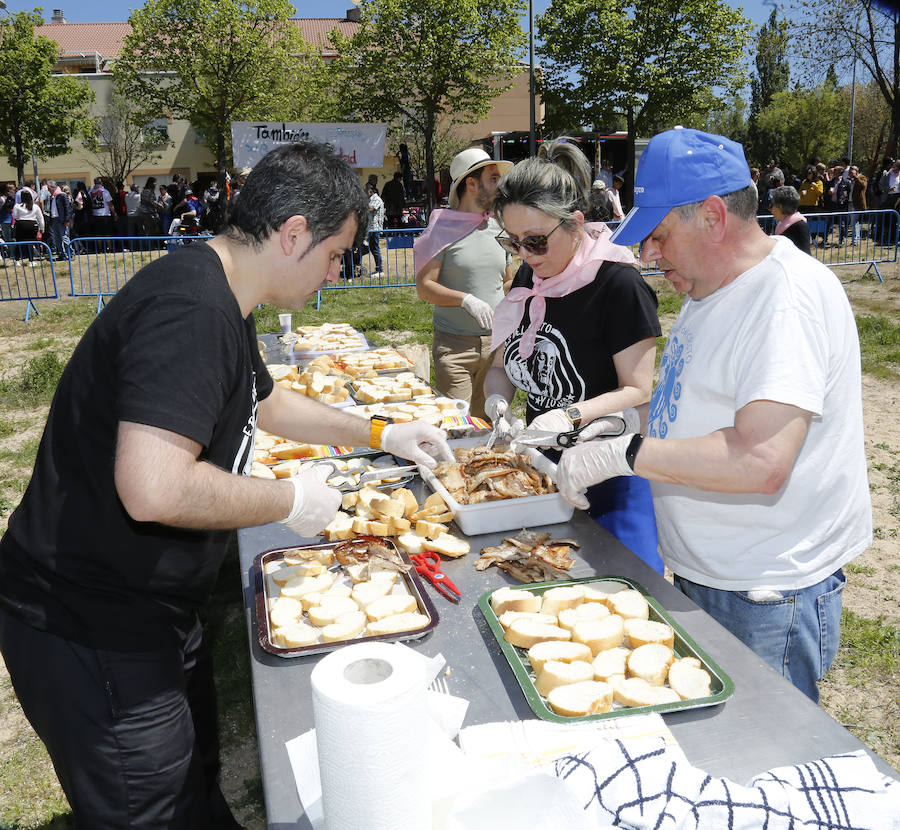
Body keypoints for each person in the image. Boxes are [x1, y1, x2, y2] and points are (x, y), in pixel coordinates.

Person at [0, 141, 452, 829]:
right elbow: (151, 487)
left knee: (196, 780)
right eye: (336, 253)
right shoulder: (193, 309)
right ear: (294, 232)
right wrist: (290, 500)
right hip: (87, 618)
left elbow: (266, 404)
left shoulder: (222, 297)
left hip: (149, 605)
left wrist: (379, 432)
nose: (337, 270)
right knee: (149, 808)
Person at [555, 126, 872, 702]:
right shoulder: (712, 287)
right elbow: (692, 408)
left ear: (712, 215)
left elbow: (759, 461)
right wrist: (618, 426)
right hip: (717, 573)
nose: (649, 253)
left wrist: (622, 454)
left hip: (764, 589)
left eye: (659, 234)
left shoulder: (783, 301)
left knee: (767, 755)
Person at [483, 140, 664, 573]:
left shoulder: (618, 285)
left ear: (576, 224)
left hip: (613, 477)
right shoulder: (532, 274)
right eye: (513, 242)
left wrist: (570, 416)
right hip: (543, 470)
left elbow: (638, 389)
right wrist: (498, 402)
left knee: (625, 593)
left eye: (536, 241)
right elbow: (501, 365)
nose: (525, 255)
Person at [414, 147, 514, 419]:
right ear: (471, 183)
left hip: (497, 348)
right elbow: (424, 287)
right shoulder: (441, 229)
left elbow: (507, 280)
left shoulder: (498, 227)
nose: (499, 185)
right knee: (459, 426)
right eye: (493, 178)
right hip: (455, 348)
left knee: (491, 427)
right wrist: (465, 299)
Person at [769, 185, 811, 255]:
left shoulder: (800, 225)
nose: (770, 209)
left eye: (771, 205)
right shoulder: (782, 224)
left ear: (780, 207)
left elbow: (805, 255)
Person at [11, 188, 44, 265]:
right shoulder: (35, 206)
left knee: (19, 242)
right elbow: (40, 218)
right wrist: (42, 228)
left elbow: (14, 216)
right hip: (32, 225)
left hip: (21, 225)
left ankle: (17, 260)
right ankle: (31, 261)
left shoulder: (17, 206)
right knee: (31, 243)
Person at [88, 177, 117, 251]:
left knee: (98, 234)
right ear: (101, 183)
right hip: (105, 215)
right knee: (107, 233)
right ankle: (110, 248)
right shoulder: (105, 191)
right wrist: (114, 213)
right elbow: (110, 204)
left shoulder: (90, 191)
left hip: (95, 215)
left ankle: (100, 249)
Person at [365, 181, 385, 278]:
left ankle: (380, 270)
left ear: (371, 191)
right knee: (372, 249)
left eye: (366, 189)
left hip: (375, 228)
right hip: (370, 228)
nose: (364, 191)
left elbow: (371, 209)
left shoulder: (377, 199)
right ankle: (378, 269)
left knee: (375, 249)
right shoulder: (370, 199)